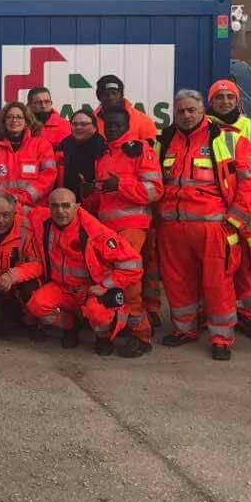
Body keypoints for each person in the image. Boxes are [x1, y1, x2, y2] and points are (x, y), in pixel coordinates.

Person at [155, 89, 251, 360]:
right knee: (177, 282)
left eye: (192, 110)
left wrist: (234, 220)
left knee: (218, 283)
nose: (187, 115)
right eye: (181, 111)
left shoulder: (227, 138)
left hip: (214, 227)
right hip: (171, 228)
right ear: (174, 113)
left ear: (203, 111)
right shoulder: (164, 140)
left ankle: (221, 337)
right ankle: (185, 329)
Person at [82, 106, 162, 357]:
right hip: (108, 231)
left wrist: (122, 184)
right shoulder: (105, 156)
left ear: (128, 125)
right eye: (109, 124)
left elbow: (154, 190)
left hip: (132, 227)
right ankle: (116, 329)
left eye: (118, 123)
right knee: (107, 282)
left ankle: (141, 335)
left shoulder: (140, 151)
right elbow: (104, 199)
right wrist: (89, 194)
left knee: (129, 282)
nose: (113, 127)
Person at [26, 188, 142, 355]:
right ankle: (70, 327)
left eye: (66, 206)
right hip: (61, 288)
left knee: (98, 313)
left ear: (77, 206)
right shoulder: (42, 219)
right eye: (55, 206)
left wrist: (105, 285)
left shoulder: (95, 232)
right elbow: (13, 207)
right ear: (49, 208)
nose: (60, 211)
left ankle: (103, 338)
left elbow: (133, 263)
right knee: (37, 305)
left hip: (90, 290)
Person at [207, 78, 251, 340]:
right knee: (214, 269)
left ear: (238, 100)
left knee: (243, 267)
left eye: (229, 97)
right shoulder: (203, 127)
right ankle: (212, 314)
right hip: (213, 213)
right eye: (219, 98)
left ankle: (247, 317)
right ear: (211, 102)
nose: (224, 102)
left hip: (243, 211)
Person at [0, 188, 42, 336]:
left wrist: (12, 276)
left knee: (32, 288)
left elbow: (37, 264)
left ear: (14, 212)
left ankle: (30, 323)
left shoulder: (26, 229)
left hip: (14, 283)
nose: (0, 220)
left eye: (6, 215)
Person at [0, 102, 57, 213]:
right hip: (3, 211)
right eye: (9, 117)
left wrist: (24, 197)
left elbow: (48, 176)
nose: (14, 120)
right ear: (3, 122)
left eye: (19, 117)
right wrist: (5, 199)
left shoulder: (41, 145)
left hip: (35, 211)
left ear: (27, 122)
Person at [55, 110, 107, 201]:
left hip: (96, 202)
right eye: (74, 124)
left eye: (83, 124)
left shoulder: (104, 148)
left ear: (94, 127)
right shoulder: (63, 146)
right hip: (67, 202)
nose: (78, 127)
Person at [94, 75, 158, 144]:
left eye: (114, 93)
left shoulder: (143, 121)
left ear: (121, 94)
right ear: (99, 97)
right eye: (105, 94)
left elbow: (151, 151)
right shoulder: (90, 121)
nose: (110, 97)